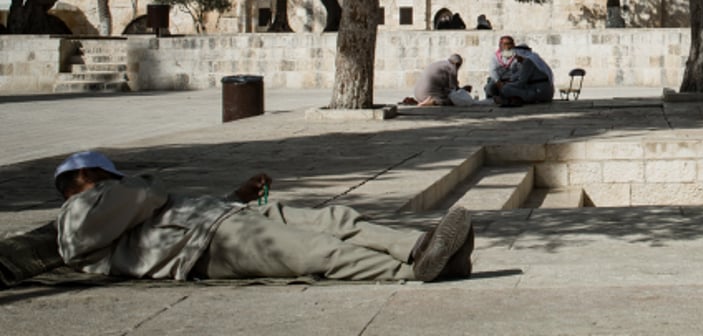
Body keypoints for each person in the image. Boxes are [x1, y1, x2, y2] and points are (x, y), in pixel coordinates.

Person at [53, 150, 473, 284]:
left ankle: (418, 247)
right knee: (314, 251)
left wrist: (232, 196)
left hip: (219, 218)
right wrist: (134, 182)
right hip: (203, 245)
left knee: (335, 219)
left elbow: (150, 208)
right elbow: (146, 195)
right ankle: (409, 272)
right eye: (111, 175)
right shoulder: (77, 213)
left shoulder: (110, 199)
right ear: (91, 175)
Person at [485, 35, 519, 99]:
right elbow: (492, 71)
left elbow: (520, 70)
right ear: (500, 45)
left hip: (513, 79)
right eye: (505, 44)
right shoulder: (495, 56)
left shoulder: (518, 56)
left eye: (510, 44)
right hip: (499, 79)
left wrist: (511, 79)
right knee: (489, 88)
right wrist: (498, 81)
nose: (507, 46)